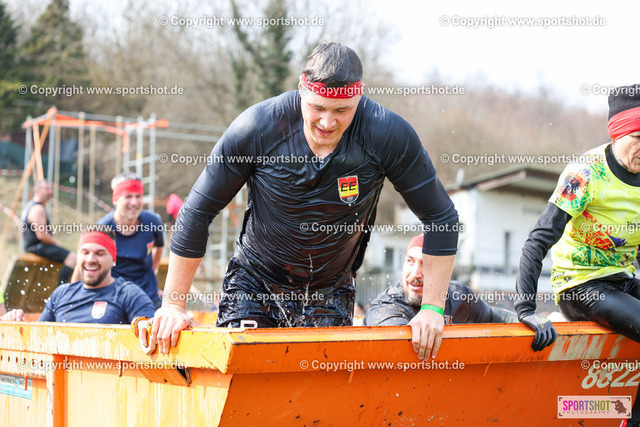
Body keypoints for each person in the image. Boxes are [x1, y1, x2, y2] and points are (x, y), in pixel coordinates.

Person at [152, 42, 459, 360]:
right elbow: (197, 211)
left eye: (341, 111)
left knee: (316, 389)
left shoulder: (386, 135)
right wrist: (173, 304)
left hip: (329, 291)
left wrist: (432, 308)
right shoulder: (258, 127)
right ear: (302, 90)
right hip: (255, 282)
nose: (327, 123)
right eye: (318, 108)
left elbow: (441, 217)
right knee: (248, 375)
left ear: (359, 96)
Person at [514, 84, 640, 426]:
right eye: (638, 137)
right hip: (580, 286)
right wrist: (525, 310)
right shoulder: (585, 173)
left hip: (622, 280)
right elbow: (537, 240)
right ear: (618, 133)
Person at [2, 229, 156, 323]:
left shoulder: (129, 294)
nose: (90, 259)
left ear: (113, 260)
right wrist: (17, 321)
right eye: (85, 252)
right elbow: (38, 339)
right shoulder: (62, 294)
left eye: (100, 253)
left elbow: (150, 338)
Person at [365, 235, 518, 326]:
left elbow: (496, 316)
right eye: (410, 261)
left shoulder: (458, 296)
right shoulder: (386, 308)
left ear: (446, 274)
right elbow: (403, 348)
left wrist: (527, 320)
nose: (415, 273)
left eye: (426, 264)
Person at [97, 173, 164, 309]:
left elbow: (159, 246)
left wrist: (153, 270)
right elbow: (85, 262)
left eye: (138, 196)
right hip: (114, 297)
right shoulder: (103, 228)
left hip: (148, 294)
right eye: (128, 196)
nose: (134, 202)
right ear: (115, 200)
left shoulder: (153, 222)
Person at [21, 180, 76, 284]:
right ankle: (62, 289)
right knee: (72, 258)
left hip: (35, 246)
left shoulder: (33, 206)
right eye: (47, 189)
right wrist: (56, 243)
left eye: (51, 189)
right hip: (36, 247)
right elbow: (41, 235)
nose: (50, 192)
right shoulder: (37, 209)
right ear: (38, 190)